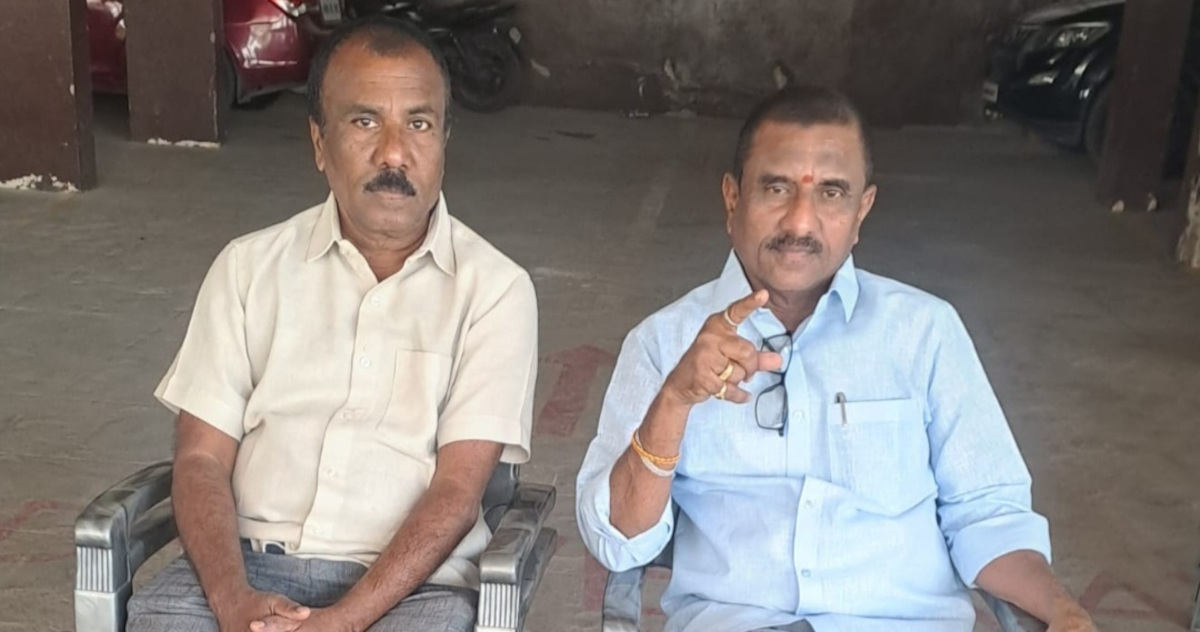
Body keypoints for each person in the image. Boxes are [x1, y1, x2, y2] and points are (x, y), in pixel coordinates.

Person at [575, 85, 1096, 632]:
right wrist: (675, 402)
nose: (800, 223)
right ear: (732, 198)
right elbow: (618, 542)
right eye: (776, 188)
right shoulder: (665, 342)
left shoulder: (924, 332)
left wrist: (1063, 611)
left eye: (831, 193)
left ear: (861, 209)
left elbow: (988, 515)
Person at [127, 16, 538, 632]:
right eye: (364, 122)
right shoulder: (248, 268)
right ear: (319, 143)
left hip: (412, 590)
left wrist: (343, 621)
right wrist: (232, 599)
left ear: (444, 141)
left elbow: (457, 493)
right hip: (242, 570)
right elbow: (201, 460)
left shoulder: (496, 291)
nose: (394, 153)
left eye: (419, 124)